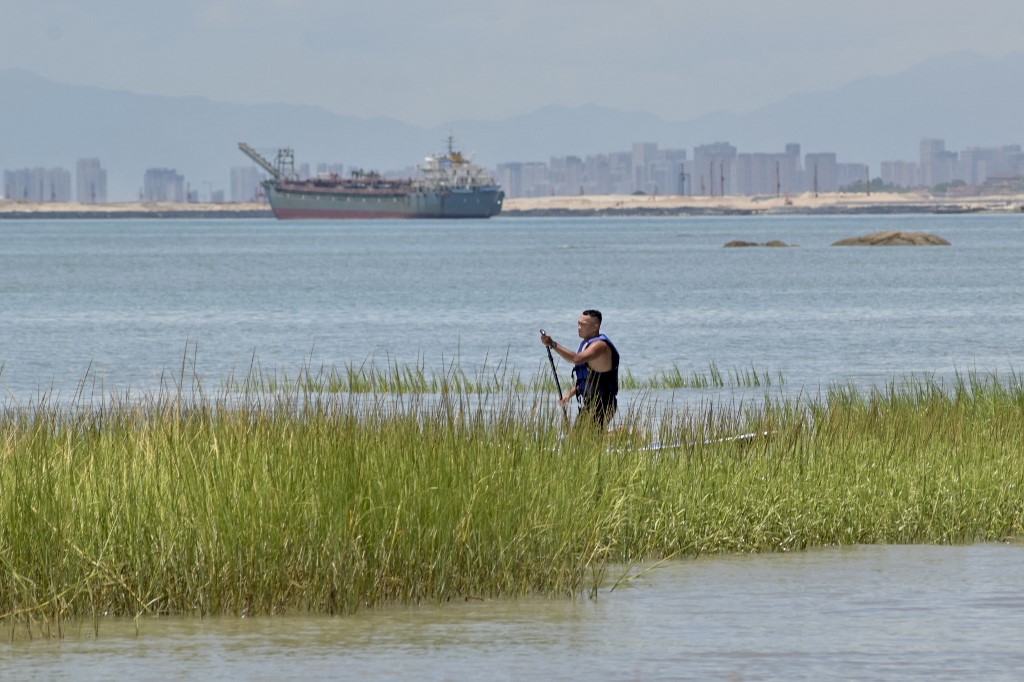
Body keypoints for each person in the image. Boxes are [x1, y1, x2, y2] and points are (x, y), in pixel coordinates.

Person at [540, 309, 620, 428]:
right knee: (578, 440)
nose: (579, 327)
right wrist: (568, 395)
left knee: (586, 439)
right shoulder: (586, 344)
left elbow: (576, 359)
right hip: (590, 402)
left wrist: (553, 344)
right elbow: (588, 380)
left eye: (583, 325)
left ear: (595, 327)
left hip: (603, 402)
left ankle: (625, 432)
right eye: (578, 323)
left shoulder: (600, 346)